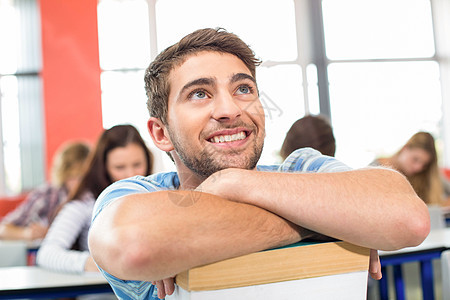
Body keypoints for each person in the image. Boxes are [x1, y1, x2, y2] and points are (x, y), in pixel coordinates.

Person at [88, 28, 430, 300]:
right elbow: (135, 246)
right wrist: (332, 220)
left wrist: (234, 185)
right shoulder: (136, 195)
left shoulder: (301, 167)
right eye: (199, 94)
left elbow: (408, 219)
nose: (230, 109)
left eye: (243, 88)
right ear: (161, 133)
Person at [37, 124, 153, 274]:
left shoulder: (157, 194)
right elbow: (46, 254)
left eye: (137, 165)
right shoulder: (85, 204)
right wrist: (98, 264)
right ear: (104, 169)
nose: (130, 175)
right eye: (119, 167)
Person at [0, 141, 90, 241]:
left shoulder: (94, 197)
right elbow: (3, 229)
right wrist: (28, 234)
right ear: (64, 175)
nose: (81, 184)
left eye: (85, 178)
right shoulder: (47, 195)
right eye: (75, 176)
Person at [371, 131, 445, 205]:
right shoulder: (374, 169)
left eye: (424, 165)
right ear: (405, 148)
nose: (418, 168)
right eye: (415, 159)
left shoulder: (424, 174)